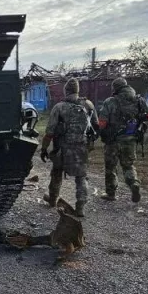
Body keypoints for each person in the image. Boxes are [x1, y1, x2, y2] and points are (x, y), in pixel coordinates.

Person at [40, 78, 99, 217]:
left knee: (56, 174)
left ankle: (53, 200)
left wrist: (44, 149)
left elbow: (49, 132)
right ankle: (80, 208)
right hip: (81, 147)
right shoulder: (89, 105)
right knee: (81, 177)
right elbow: (96, 126)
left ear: (66, 91)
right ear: (78, 90)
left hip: (62, 148)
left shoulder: (59, 107)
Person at [98, 77, 148, 203]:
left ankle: (111, 193)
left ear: (115, 88)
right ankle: (134, 183)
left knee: (111, 167)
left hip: (112, 140)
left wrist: (101, 131)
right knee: (128, 165)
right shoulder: (139, 100)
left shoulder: (110, 101)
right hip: (131, 139)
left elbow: (102, 122)